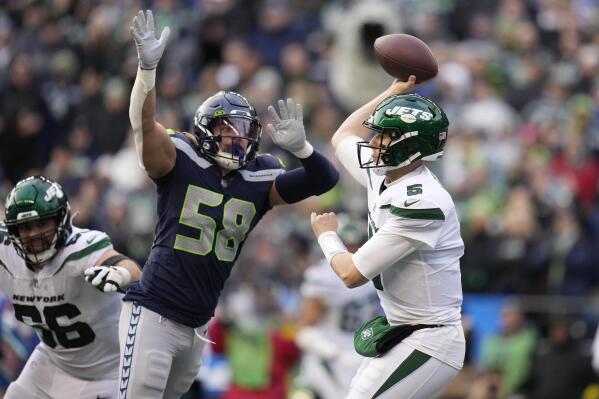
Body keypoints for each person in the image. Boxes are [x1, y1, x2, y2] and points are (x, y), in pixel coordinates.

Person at [121, 10, 339, 399]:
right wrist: (147, 71)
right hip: (154, 310)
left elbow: (325, 179)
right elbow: (143, 123)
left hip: (198, 325)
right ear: (206, 129)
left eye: (243, 131)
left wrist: (303, 148)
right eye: (227, 129)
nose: (237, 139)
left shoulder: (258, 178)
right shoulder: (181, 157)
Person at [310, 75, 466, 398]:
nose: (373, 142)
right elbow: (343, 136)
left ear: (410, 145)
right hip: (404, 329)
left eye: (384, 136)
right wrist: (391, 93)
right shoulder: (385, 177)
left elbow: (351, 274)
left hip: (431, 339)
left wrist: (327, 236)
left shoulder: (422, 200)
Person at [0, 175, 141, 399]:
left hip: (109, 373)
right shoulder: (5, 250)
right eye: (25, 227)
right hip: (53, 362)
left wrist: (121, 274)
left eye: (42, 223)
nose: (34, 234)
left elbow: (130, 269)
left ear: (61, 219)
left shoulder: (80, 248)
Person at [295, 214, 379, 399]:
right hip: (333, 361)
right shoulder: (322, 276)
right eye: (348, 244)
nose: (353, 249)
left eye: (356, 243)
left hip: (368, 357)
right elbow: (305, 329)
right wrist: (335, 353)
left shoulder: (377, 267)